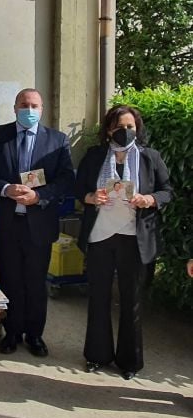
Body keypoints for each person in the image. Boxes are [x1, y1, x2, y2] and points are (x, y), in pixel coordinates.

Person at [0, 88, 74, 358]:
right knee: (10, 279)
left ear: (41, 109)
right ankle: (12, 332)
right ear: (15, 107)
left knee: (35, 281)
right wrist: (5, 188)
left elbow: (66, 179)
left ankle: (35, 335)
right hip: (8, 222)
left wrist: (39, 195)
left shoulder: (57, 140)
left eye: (34, 105)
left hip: (39, 225)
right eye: (24, 105)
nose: (29, 110)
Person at [76, 105, 172, 380]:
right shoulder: (94, 157)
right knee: (98, 299)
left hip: (134, 239)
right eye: (119, 127)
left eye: (130, 127)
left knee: (132, 302)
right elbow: (78, 187)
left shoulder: (149, 158)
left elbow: (167, 191)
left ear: (137, 129)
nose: (125, 131)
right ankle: (97, 355)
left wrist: (149, 199)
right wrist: (90, 197)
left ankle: (130, 362)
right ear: (108, 130)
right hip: (100, 237)